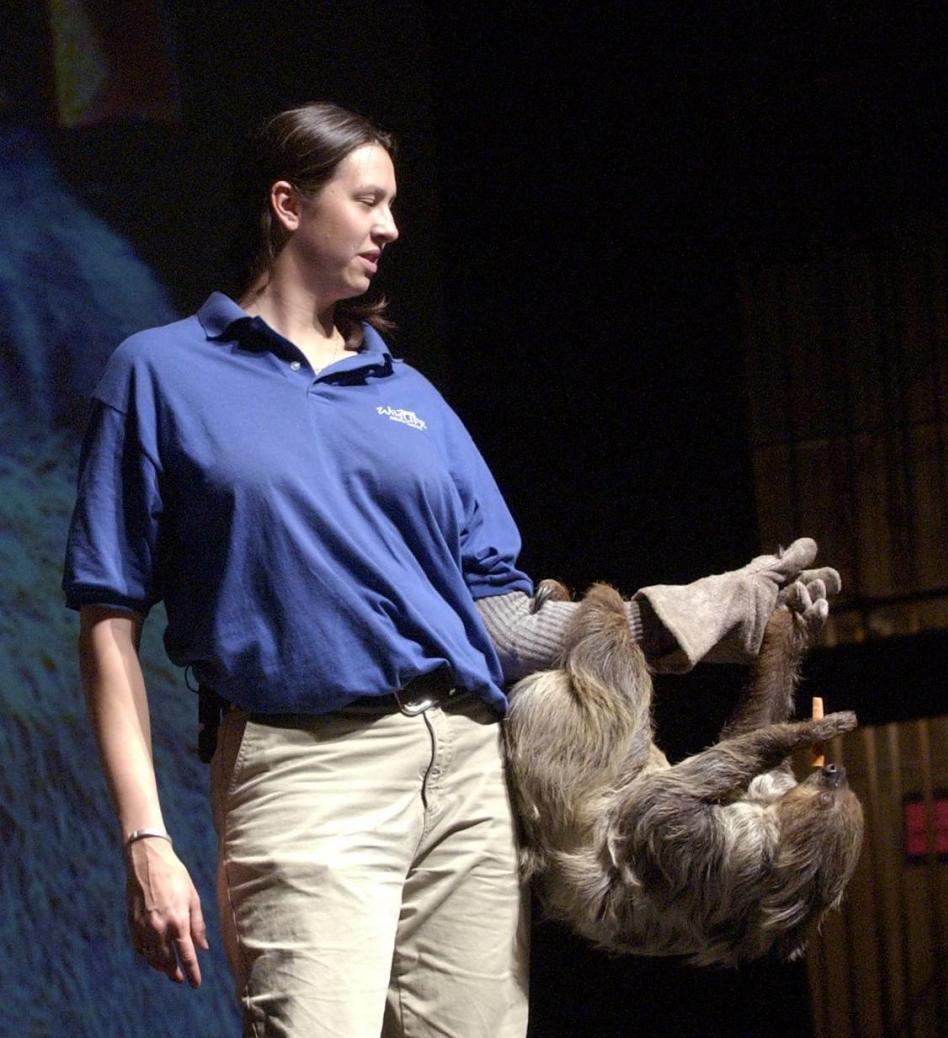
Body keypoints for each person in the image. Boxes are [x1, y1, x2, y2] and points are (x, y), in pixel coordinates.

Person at [63, 101, 840, 1038]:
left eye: (393, 205)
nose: (391, 227)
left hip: (470, 763)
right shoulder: (162, 373)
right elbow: (108, 625)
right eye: (369, 200)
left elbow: (499, 620)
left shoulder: (412, 397)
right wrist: (147, 838)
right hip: (309, 765)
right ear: (288, 204)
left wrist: (704, 619)